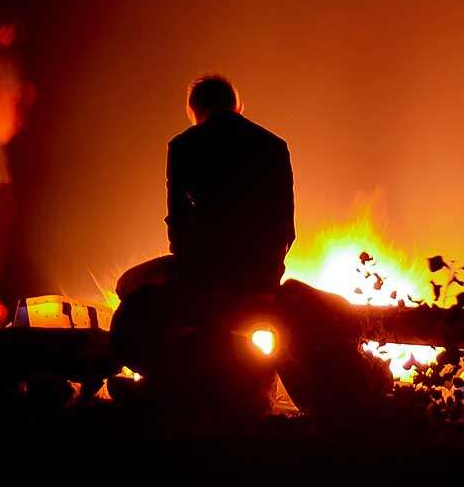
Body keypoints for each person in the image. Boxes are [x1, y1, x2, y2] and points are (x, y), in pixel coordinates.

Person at [110, 75, 384, 416]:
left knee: (127, 285)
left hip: (201, 275)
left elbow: (177, 221)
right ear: (238, 107)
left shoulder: (183, 146)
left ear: (193, 111)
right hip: (258, 275)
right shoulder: (273, 146)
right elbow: (286, 225)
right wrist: (267, 277)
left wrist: (191, 271)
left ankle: (169, 376)